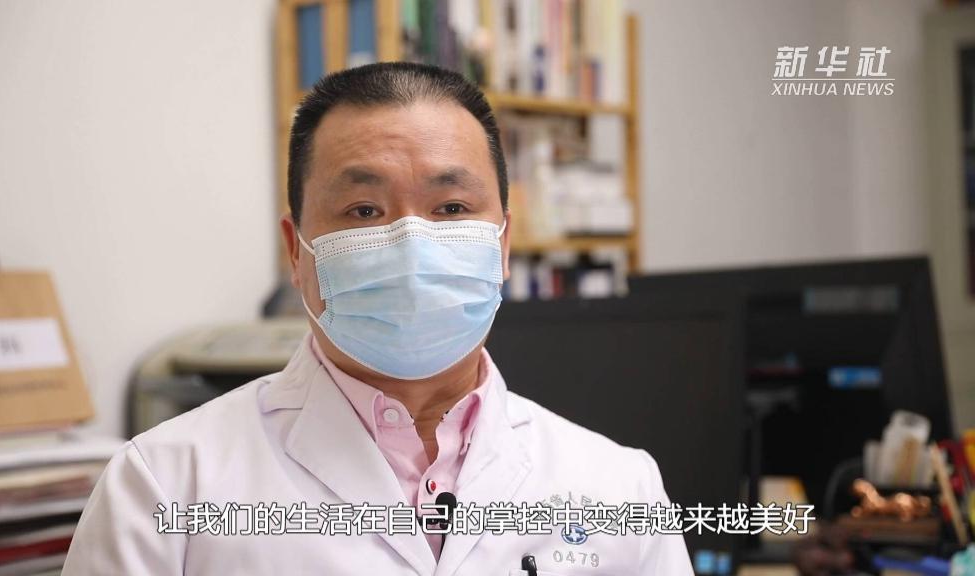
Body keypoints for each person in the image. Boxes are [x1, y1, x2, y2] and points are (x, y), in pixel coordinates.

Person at [62, 62, 693, 575]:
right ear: (296, 252)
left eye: (451, 207)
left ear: (502, 244)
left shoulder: (618, 487)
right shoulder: (163, 485)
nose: (411, 244)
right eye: (364, 211)